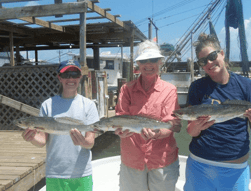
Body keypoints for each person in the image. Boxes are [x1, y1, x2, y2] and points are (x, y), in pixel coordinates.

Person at [184, 33, 251, 191]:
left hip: (236, 170)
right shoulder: (197, 87)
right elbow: (191, 131)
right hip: (200, 166)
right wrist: (198, 126)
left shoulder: (246, 85)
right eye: (203, 61)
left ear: (221, 54)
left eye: (212, 56)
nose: (209, 63)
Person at [21, 61, 99, 191]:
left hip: (81, 173)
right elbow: (42, 141)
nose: (71, 79)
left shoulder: (89, 105)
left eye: (75, 74)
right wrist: (32, 138)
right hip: (55, 173)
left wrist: (83, 141)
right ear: (60, 77)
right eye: (66, 75)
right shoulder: (47, 105)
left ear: (80, 77)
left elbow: (90, 143)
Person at [115, 40, 181, 191]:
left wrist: (158, 133)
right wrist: (120, 131)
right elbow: (120, 117)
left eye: (153, 60)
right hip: (132, 159)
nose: (148, 64)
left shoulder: (170, 90)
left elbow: (173, 123)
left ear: (160, 62)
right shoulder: (126, 89)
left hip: (162, 160)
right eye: (144, 60)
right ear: (138, 63)